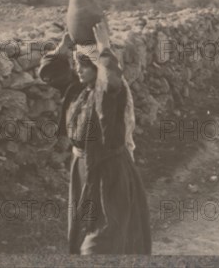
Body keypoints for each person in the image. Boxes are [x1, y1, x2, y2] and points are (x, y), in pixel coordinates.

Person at [38, 21, 152, 254]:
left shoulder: (112, 94)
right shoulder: (77, 90)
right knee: (83, 234)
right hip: (82, 169)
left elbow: (109, 80)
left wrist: (104, 48)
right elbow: (48, 73)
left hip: (109, 174)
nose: (78, 70)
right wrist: (63, 46)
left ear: (98, 67)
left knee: (101, 239)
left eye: (85, 65)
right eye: (77, 63)